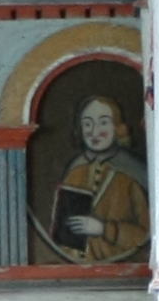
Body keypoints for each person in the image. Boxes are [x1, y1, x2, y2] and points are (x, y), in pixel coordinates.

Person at [39, 92, 150, 265]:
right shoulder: (76, 169)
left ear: (117, 127)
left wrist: (104, 229)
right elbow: (63, 231)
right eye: (87, 124)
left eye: (103, 122)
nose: (94, 131)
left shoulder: (133, 173)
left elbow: (147, 234)